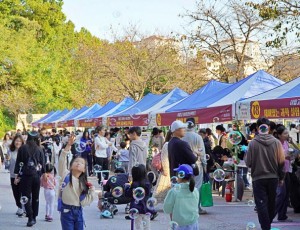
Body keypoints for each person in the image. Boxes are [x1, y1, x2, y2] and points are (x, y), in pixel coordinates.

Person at [246, 117, 285, 230]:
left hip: (258, 178)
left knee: (261, 205)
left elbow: (248, 162)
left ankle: (265, 227)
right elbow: (281, 162)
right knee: (271, 204)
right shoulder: (277, 142)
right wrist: (281, 177)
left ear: (258, 128)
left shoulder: (253, 143)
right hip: (273, 177)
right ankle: (267, 225)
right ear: (269, 129)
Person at [58, 134, 95, 230]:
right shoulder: (65, 175)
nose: (78, 163)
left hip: (78, 212)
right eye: (76, 161)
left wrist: (92, 191)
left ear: (84, 169)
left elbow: (84, 202)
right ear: (70, 166)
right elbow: (62, 160)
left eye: (82, 163)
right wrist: (68, 145)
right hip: (67, 211)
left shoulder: (84, 183)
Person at [14, 131, 45, 227]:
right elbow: (43, 164)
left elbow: (19, 163)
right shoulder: (40, 149)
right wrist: (43, 174)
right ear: (37, 138)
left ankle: (30, 217)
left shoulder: (22, 148)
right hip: (36, 176)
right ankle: (34, 216)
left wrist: (17, 176)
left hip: (25, 176)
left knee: (26, 197)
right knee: (35, 197)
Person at [182, 119, 207, 215]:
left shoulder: (182, 136)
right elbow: (202, 152)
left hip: (184, 164)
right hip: (197, 164)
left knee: (185, 185)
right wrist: (204, 165)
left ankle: (186, 206)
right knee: (197, 186)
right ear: (194, 125)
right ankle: (196, 207)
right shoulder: (197, 137)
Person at [163, 164, 199, 230]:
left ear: (180, 175)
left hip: (178, 225)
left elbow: (166, 209)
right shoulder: (195, 190)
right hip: (193, 224)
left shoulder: (174, 191)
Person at [273, 125, 294, 222]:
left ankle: (282, 215)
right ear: (279, 135)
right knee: (281, 194)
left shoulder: (286, 142)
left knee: (286, 194)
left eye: (287, 133)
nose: (287, 135)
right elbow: (274, 158)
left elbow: (288, 155)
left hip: (287, 170)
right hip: (279, 172)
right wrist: (284, 156)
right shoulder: (276, 144)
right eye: (285, 133)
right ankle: (271, 215)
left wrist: (291, 155)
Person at [125, 164, 152, 229]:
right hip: (146, 207)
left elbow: (128, 194)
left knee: (138, 225)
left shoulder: (134, 184)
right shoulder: (147, 183)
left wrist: (126, 188)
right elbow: (149, 194)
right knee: (147, 224)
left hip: (136, 208)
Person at [7, 134, 25, 216]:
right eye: (16, 141)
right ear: (14, 141)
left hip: (22, 175)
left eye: (19, 141)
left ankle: (23, 208)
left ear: (22, 142)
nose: (18, 142)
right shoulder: (10, 151)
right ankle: (19, 206)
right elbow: (7, 166)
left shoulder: (24, 151)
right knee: (16, 193)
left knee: (23, 192)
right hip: (13, 175)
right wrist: (7, 160)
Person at [153, 131, 172, 203]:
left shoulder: (170, 144)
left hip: (170, 169)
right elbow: (164, 158)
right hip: (167, 170)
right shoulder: (167, 144)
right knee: (162, 189)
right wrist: (166, 170)